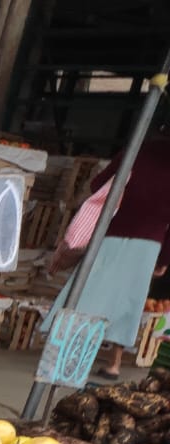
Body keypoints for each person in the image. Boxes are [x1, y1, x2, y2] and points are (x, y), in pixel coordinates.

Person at [50, 130, 170, 380]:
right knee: (129, 301)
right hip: (150, 241)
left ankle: (69, 357)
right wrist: (164, 257)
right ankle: (114, 364)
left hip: (112, 231)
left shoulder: (137, 150)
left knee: (90, 293)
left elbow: (99, 184)